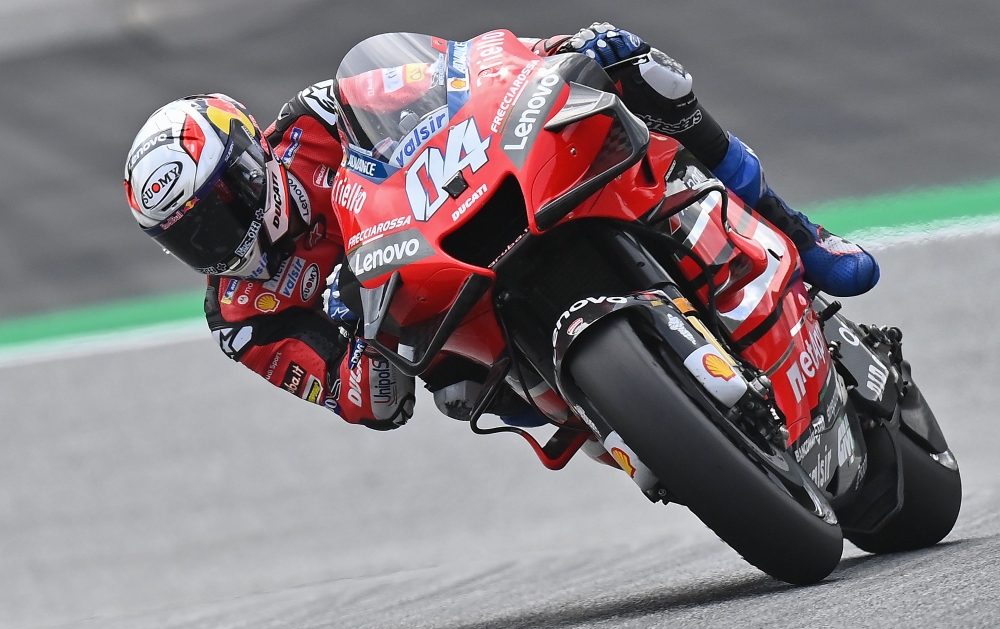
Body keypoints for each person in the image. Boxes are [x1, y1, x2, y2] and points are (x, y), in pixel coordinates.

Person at [123, 23, 879, 431]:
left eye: (223, 205)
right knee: (462, 401)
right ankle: (640, 431)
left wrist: (553, 56)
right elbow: (372, 405)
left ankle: (796, 233)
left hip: (473, 209)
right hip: (443, 323)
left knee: (632, 70)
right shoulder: (243, 316)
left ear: (251, 158)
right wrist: (363, 334)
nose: (220, 240)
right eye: (192, 239)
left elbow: (456, 80)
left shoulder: (318, 116)